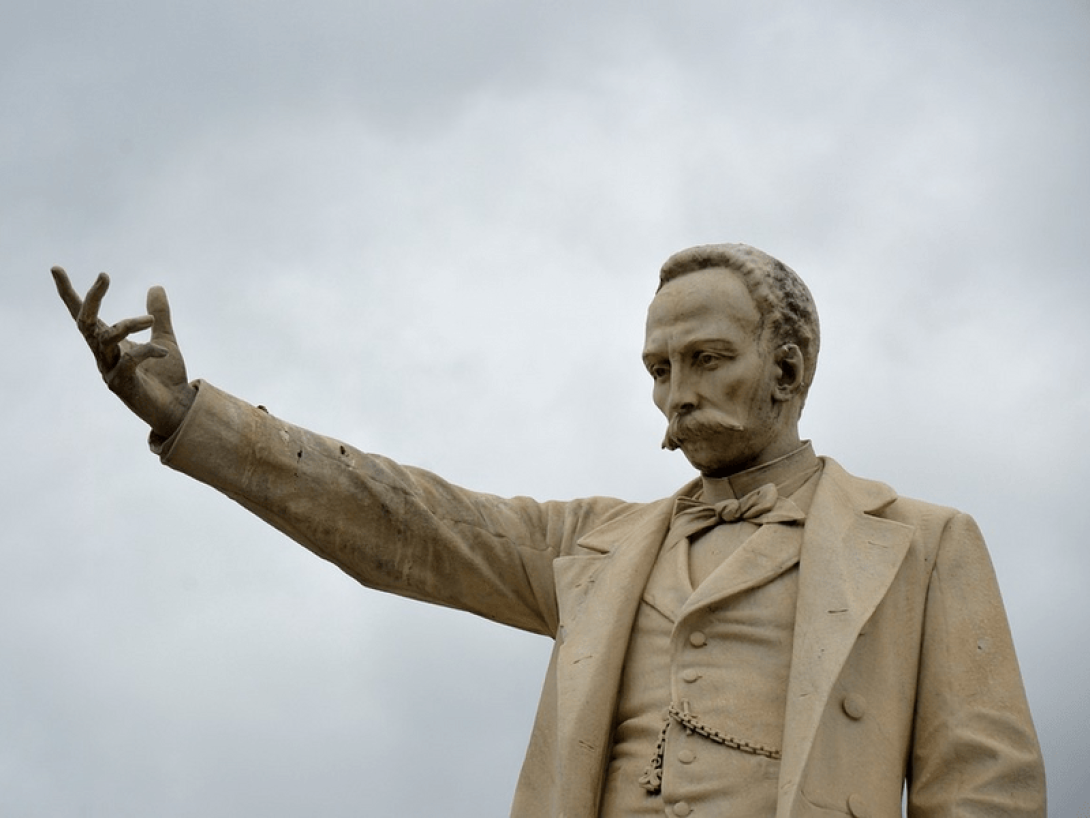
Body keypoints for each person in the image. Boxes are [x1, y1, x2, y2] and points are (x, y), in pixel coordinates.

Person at [53, 243, 1045, 817]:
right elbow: (400, 522)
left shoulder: (918, 542)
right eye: (658, 369)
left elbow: (985, 791)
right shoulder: (595, 545)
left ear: (787, 369)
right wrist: (192, 418)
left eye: (705, 359)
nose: (677, 392)